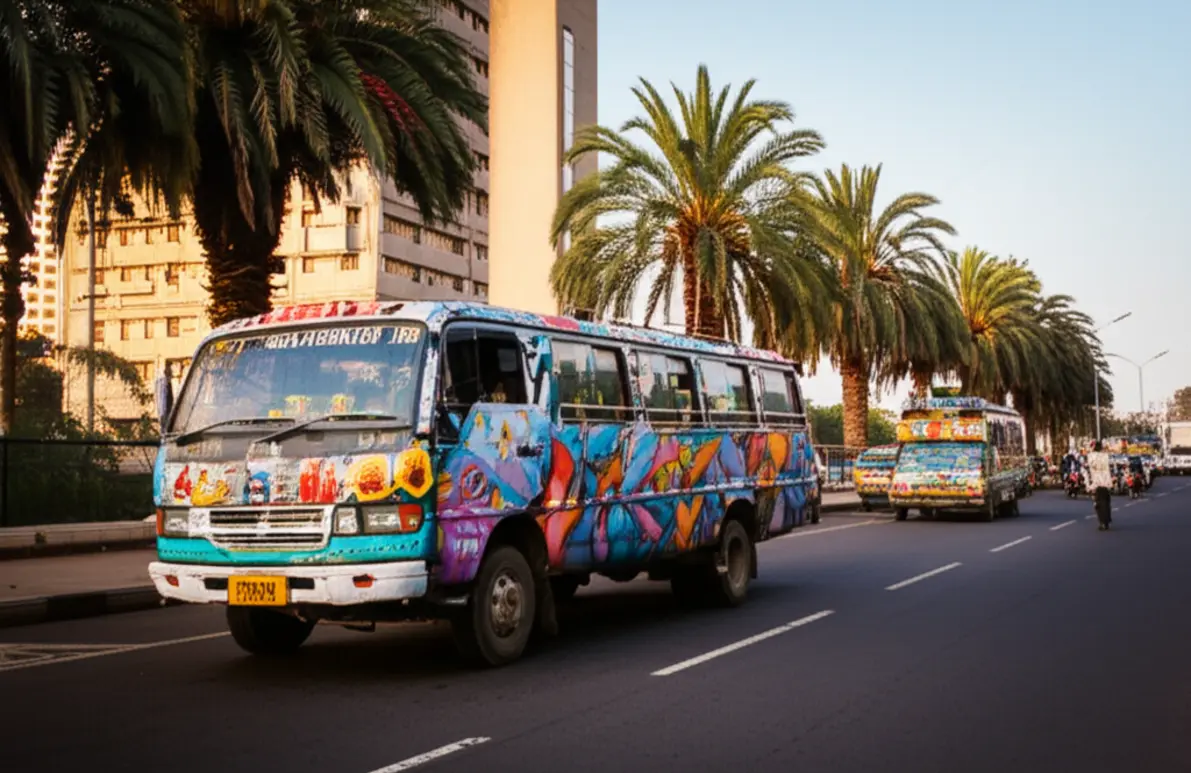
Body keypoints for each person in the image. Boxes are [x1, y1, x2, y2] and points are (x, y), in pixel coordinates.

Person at [1086, 440, 1114, 530]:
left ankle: (1102, 522)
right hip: (1106, 482)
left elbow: (1090, 466)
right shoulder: (1105, 456)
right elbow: (1108, 467)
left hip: (1097, 482)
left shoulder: (1091, 456)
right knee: (1106, 503)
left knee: (1098, 504)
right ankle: (1107, 521)